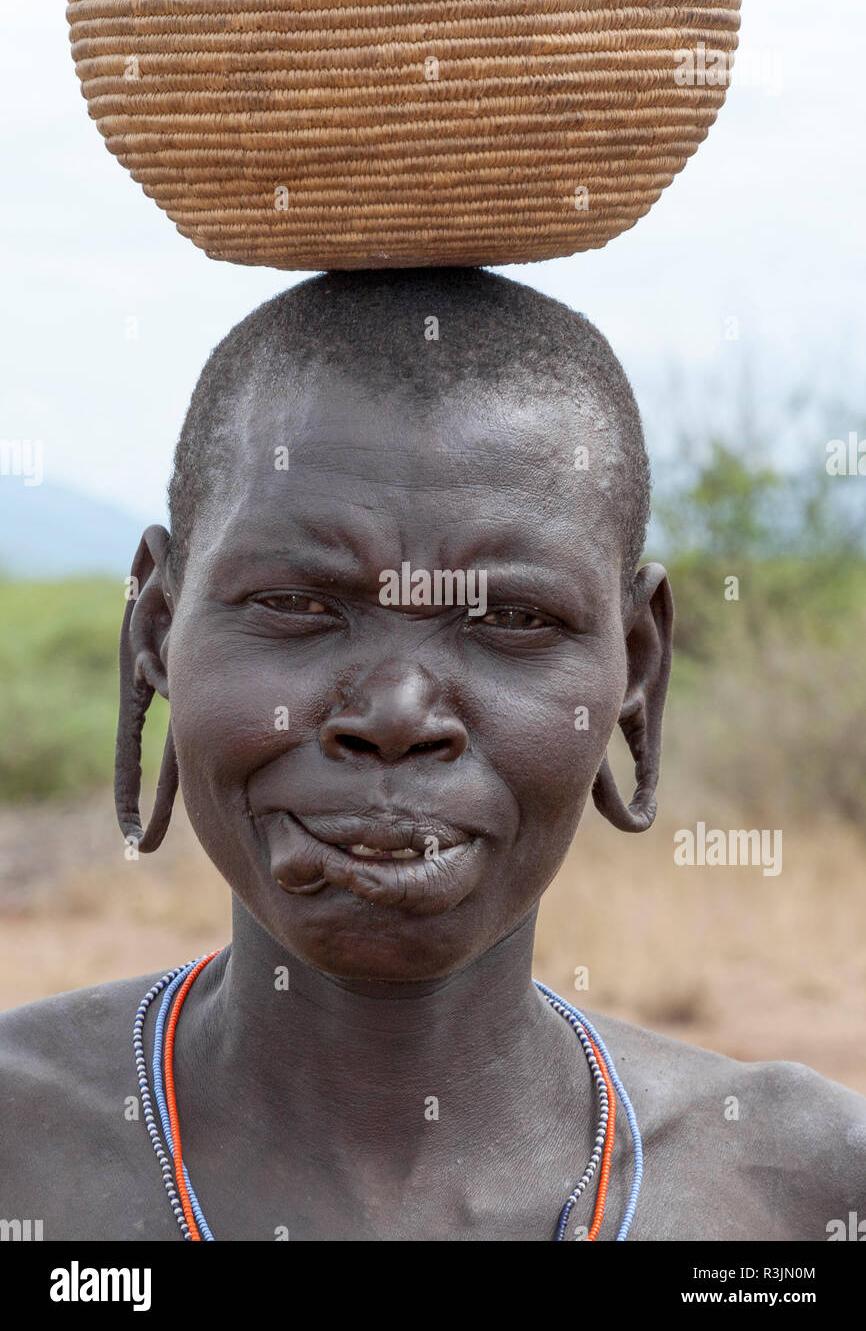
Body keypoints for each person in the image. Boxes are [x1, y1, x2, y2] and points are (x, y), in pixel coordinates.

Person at [1, 268, 863, 1241]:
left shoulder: (805, 1194)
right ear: (156, 629)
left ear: (635, 668)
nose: (397, 715)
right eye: (295, 602)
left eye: (511, 617)